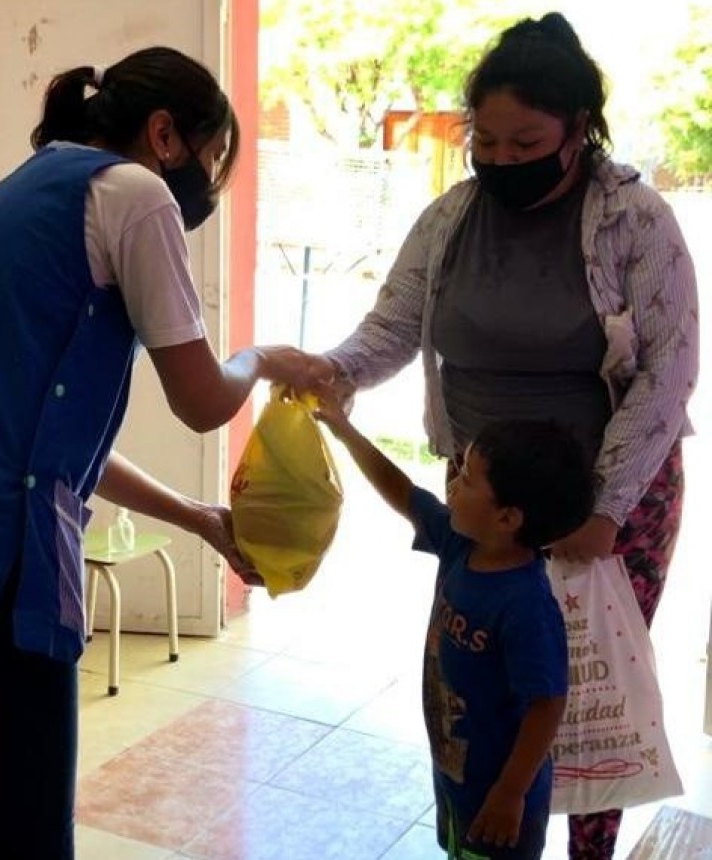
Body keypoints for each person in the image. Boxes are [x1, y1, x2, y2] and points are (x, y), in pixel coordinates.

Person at [0, 47, 308, 860]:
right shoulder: (135, 194)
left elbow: (41, 447)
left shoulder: (22, 190)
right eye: (211, 160)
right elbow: (204, 399)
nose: (206, 185)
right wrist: (264, 359)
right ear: (164, 134)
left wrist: (201, 519)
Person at [284, 12, 699, 859]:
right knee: (480, 674)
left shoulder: (635, 221)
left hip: (605, 504)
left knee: (582, 698)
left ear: (579, 130)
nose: (502, 160)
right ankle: (482, 827)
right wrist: (332, 371)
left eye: (527, 142)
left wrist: (609, 507)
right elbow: (392, 327)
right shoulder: (451, 219)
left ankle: (588, 848)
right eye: (487, 140)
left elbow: (670, 372)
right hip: (486, 498)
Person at [316, 394, 595, 860]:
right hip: (456, 771)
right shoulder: (459, 543)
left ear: (507, 518)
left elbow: (547, 706)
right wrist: (344, 430)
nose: (451, 485)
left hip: (501, 796)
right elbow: (403, 492)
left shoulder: (526, 605)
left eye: (465, 479)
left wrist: (510, 795)